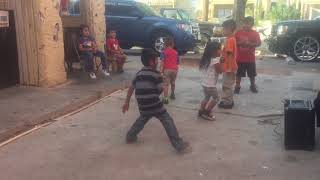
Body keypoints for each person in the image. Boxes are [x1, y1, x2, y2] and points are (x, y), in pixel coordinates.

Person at [122, 49, 191, 154]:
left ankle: (130, 136)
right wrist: (163, 82)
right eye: (157, 60)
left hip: (142, 104)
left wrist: (126, 102)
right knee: (168, 121)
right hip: (155, 104)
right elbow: (159, 90)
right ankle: (178, 145)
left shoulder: (138, 74)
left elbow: (131, 88)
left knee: (142, 119)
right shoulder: (156, 74)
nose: (158, 62)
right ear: (151, 62)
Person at [234, 16, 261, 94]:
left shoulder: (255, 33)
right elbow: (234, 42)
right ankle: (237, 86)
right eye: (245, 23)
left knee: (252, 74)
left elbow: (259, 43)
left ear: (252, 24)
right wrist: (240, 43)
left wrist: (251, 44)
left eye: (248, 24)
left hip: (250, 59)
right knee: (238, 74)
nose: (246, 25)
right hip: (239, 58)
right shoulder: (238, 33)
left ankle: (252, 85)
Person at [198, 41, 222, 121]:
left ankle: (201, 110)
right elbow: (220, 71)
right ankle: (207, 111)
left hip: (205, 84)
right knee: (216, 98)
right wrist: (222, 64)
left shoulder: (207, 59)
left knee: (206, 97)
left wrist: (220, 60)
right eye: (220, 49)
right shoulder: (215, 61)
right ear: (214, 51)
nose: (221, 51)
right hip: (211, 85)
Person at [218, 19, 238, 109]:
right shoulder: (231, 39)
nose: (223, 31)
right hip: (229, 67)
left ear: (230, 30)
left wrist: (228, 67)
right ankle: (228, 100)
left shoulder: (230, 40)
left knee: (227, 85)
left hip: (229, 68)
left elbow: (229, 54)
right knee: (227, 85)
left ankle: (228, 102)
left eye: (224, 29)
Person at [160, 38, 179, 104]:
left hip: (167, 69)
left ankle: (165, 99)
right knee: (173, 82)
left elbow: (162, 62)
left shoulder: (163, 52)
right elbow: (177, 62)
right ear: (172, 44)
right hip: (175, 70)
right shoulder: (176, 53)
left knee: (166, 84)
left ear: (165, 44)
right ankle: (172, 94)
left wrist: (161, 72)